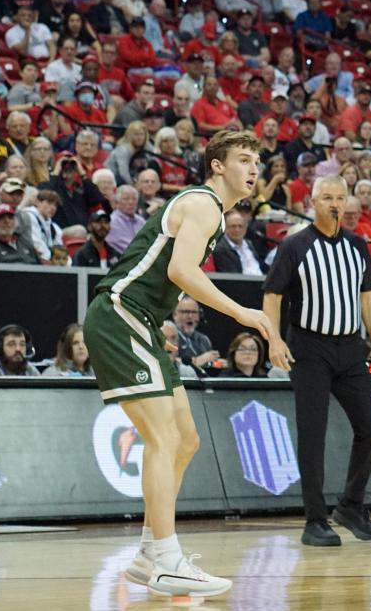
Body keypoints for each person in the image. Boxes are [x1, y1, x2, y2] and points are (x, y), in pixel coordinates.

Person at [82, 130, 270, 597]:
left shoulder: (214, 216)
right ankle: (167, 559)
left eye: (257, 162)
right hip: (121, 313)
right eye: (243, 159)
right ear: (217, 166)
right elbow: (181, 272)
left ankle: (149, 553)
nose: (252, 169)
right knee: (163, 438)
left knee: (185, 439)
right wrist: (242, 311)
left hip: (142, 320)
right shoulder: (204, 203)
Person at [260, 175, 371, 548]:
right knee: (312, 434)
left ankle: (351, 504)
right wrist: (274, 340)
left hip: (350, 348)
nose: (335, 203)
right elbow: (272, 296)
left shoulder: (358, 246)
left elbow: (367, 298)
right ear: (313, 202)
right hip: (309, 348)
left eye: (340, 197)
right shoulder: (294, 246)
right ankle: (314, 520)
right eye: (327, 197)